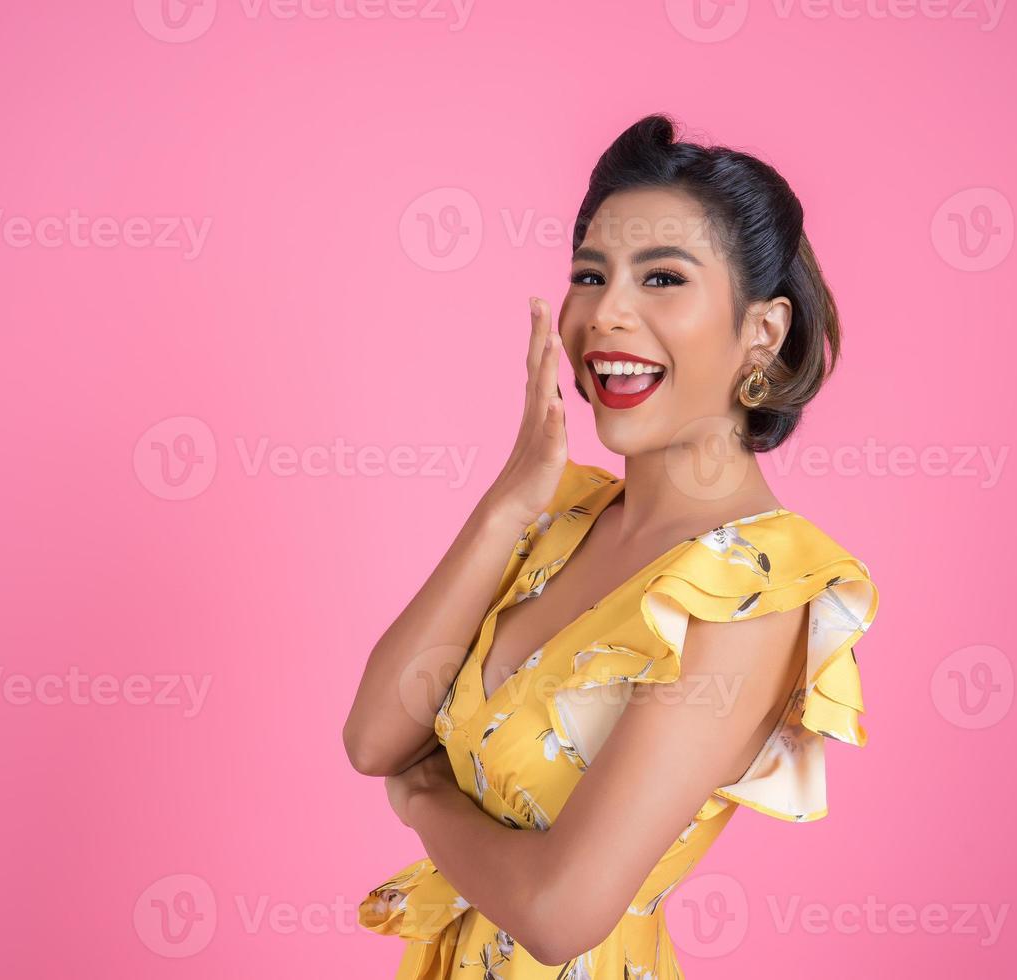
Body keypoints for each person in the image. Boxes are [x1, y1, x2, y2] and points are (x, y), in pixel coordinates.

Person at [342, 113, 881, 978]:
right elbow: (373, 737)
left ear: (764, 331)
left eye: (663, 277)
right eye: (590, 275)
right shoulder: (558, 519)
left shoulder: (757, 585)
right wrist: (508, 501)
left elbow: (562, 913)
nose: (606, 314)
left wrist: (423, 798)